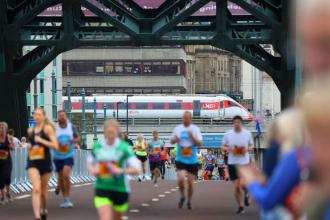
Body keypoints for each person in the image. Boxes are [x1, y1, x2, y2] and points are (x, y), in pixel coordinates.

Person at [87, 120, 140, 220]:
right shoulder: (98, 147)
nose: (110, 133)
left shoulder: (124, 148)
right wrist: (93, 170)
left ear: (117, 132)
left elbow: (137, 169)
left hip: (120, 188)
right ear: (104, 131)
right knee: (105, 218)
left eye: (113, 130)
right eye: (108, 130)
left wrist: (120, 171)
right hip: (102, 187)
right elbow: (89, 162)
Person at [27, 108, 58, 220]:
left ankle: (44, 209)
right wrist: (29, 147)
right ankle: (36, 216)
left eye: (39, 115)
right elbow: (30, 145)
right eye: (35, 114)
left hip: (45, 162)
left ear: (43, 117)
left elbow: (55, 145)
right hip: (33, 161)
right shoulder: (31, 130)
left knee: (43, 191)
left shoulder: (48, 129)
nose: (37, 117)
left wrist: (41, 141)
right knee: (36, 188)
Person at [222, 115, 254, 214]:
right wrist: (227, 149)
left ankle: (247, 193)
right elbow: (222, 146)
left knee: (243, 184)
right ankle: (240, 206)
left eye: (238, 122)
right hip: (232, 163)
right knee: (236, 188)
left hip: (244, 163)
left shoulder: (247, 134)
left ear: (241, 123)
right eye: (235, 122)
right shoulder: (228, 134)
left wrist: (247, 149)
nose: (236, 124)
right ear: (233, 123)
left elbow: (252, 145)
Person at [171, 111, 202, 210]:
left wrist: (192, 136)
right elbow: (172, 141)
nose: (185, 120)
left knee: (190, 183)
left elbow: (200, 143)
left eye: (187, 118)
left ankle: (189, 200)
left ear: (190, 118)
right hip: (181, 159)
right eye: (184, 118)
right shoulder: (178, 129)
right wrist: (176, 139)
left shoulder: (195, 129)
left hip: (192, 160)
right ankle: (182, 195)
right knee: (180, 178)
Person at [53, 110, 80, 208]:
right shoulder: (55, 128)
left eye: (63, 115)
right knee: (60, 177)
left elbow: (78, 138)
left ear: (66, 116)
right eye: (60, 116)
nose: (61, 117)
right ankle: (64, 198)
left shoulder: (71, 127)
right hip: (57, 156)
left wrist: (71, 140)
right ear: (58, 117)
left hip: (68, 155)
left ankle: (68, 199)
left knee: (66, 175)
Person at [0, 122, 14, 204]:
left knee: (7, 177)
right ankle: (2, 196)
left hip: (7, 161)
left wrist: (9, 144)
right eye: (0, 127)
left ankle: (8, 192)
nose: (1, 129)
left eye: (2, 127)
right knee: (0, 179)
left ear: (5, 129)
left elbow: (13, 148)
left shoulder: (9, 137)